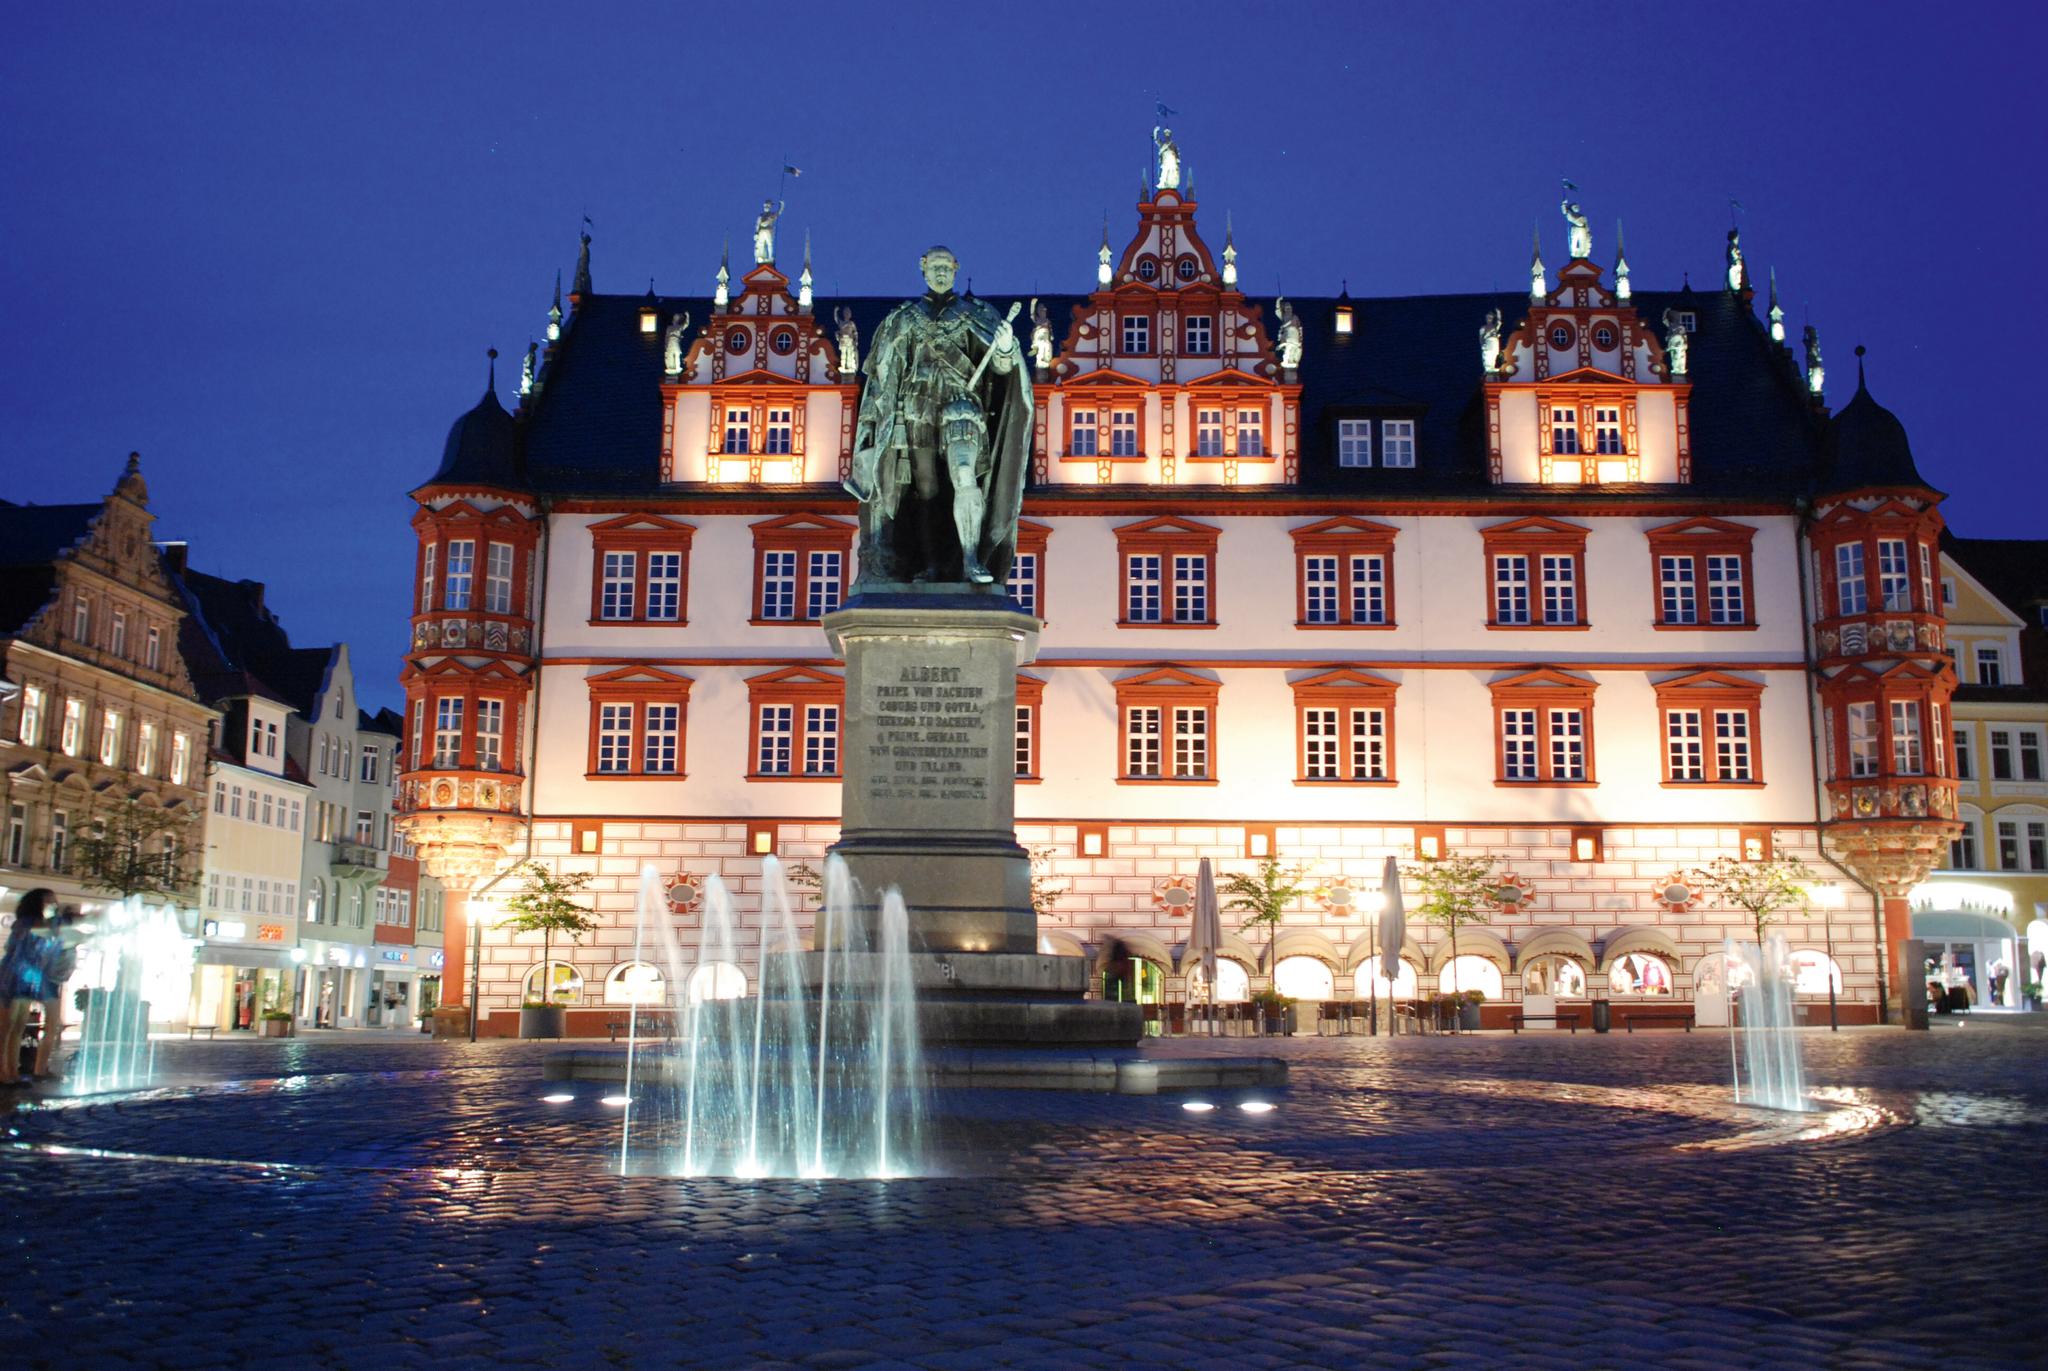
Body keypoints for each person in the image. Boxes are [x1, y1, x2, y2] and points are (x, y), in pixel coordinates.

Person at [0, 889, 59, 1085]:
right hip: (12, 976)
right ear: (38, 903)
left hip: (27, 978)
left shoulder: (42, 925)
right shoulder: (26, 923)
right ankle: (2, 1072)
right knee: (6, 1026)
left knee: (18, 1027)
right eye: (50, 901)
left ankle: (12, 1072)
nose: (54, 905)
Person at [31, 907, 83, 1080]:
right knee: (51, 1027)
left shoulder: (58, 934)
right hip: (48, 983)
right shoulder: (66, 935)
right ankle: (39, 1070)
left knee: (51, 1027)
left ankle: (39, 1068)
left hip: (50, 982)